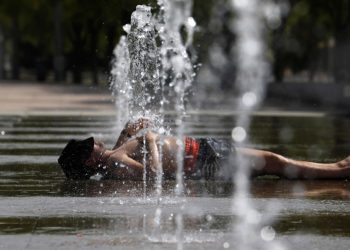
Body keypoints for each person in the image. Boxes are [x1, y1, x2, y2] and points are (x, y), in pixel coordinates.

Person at [58, 118, 350, 181]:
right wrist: (149, 141)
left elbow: (125, 150)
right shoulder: (114, 163)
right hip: (205, 159)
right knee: (274, 162)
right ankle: (338, 170)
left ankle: (337, 168)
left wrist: (128, 130)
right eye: (91, 145)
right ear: (89, 158)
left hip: (202, 149)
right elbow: (154, 175)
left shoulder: (112, 159)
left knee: (272, 161)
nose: (96, 141)